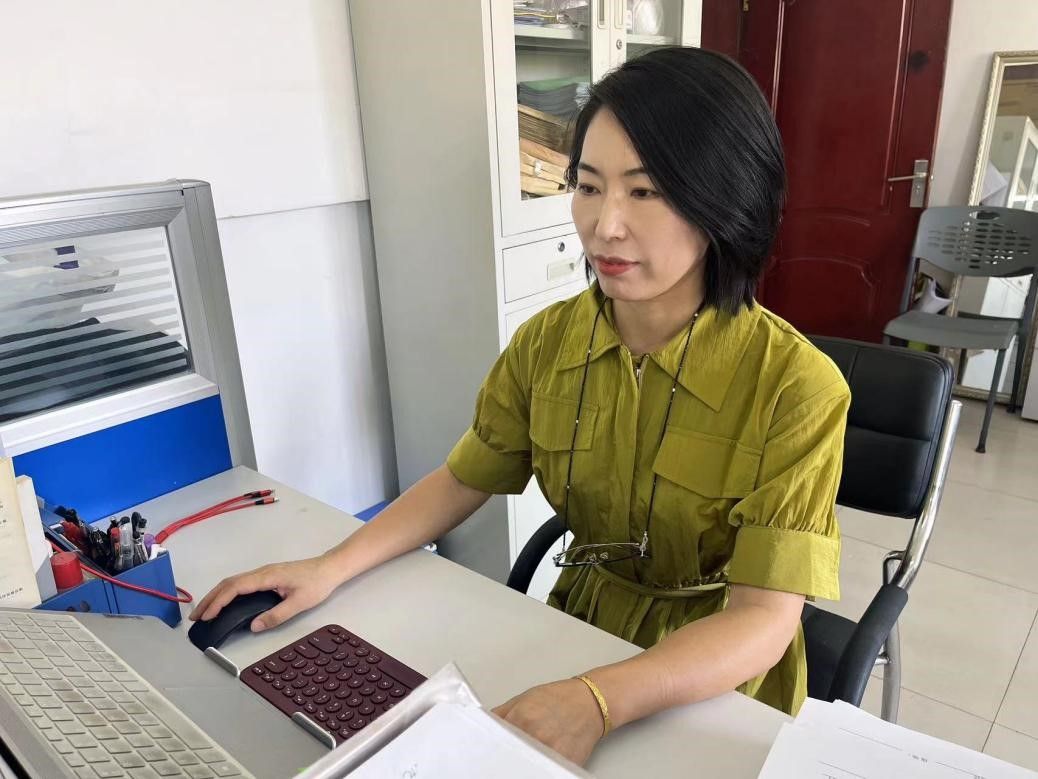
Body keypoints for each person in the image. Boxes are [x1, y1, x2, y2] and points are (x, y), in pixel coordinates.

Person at [191, 47, 850, 766]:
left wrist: (598, 698)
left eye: (646, 192)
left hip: (714, 678)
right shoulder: (548, 343)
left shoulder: (796, 388)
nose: (605, 225)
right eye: (588, 186)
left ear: (726, 200)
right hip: (577, 631)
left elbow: (763, 620)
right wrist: (328, 567)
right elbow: (464, 477)